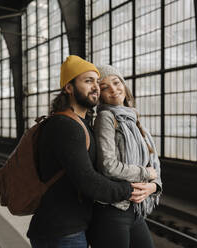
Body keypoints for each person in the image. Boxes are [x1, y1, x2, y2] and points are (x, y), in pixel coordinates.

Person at [27, 55, 134, 248]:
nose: (96, 87)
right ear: (69, 87)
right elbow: (88, 181)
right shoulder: (65, 126)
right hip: (60, 231)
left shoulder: (82, 123)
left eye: (96, 81)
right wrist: (131, 189)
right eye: (88, 81)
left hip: (71, 228)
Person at [87, 65, 162, 248]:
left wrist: (154, 187)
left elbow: (152, 162)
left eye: (116, 82)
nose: (113, 89)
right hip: (113, 210)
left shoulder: (133, 117)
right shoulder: (106, 117)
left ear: (123, 84)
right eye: (105, 87)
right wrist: (145, 174)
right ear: (100, 95)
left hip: (134, 209)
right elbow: (108, 165)